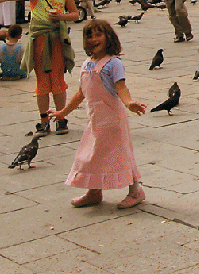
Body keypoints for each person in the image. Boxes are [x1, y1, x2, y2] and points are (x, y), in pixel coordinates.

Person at [50, 20, 146, 209]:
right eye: (89, 36)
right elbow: (80, 93)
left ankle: (136, 190)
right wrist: (63, 112)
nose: (94, 39)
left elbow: (121, 87)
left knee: (121, 154)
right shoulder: (86, 64)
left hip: (113, 120)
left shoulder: (113, 63)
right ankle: (94, 191)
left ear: (109, 37)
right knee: (91, 155)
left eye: (98, 35)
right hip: (95, 120)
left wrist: (129, 103)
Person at [6, 0, 79, 135]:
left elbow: (75, 14)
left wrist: (61, 17)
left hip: (57, 40)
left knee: (58, 81)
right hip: (39, 40)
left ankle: (61, 117)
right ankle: (44, 119)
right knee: (42, 82)